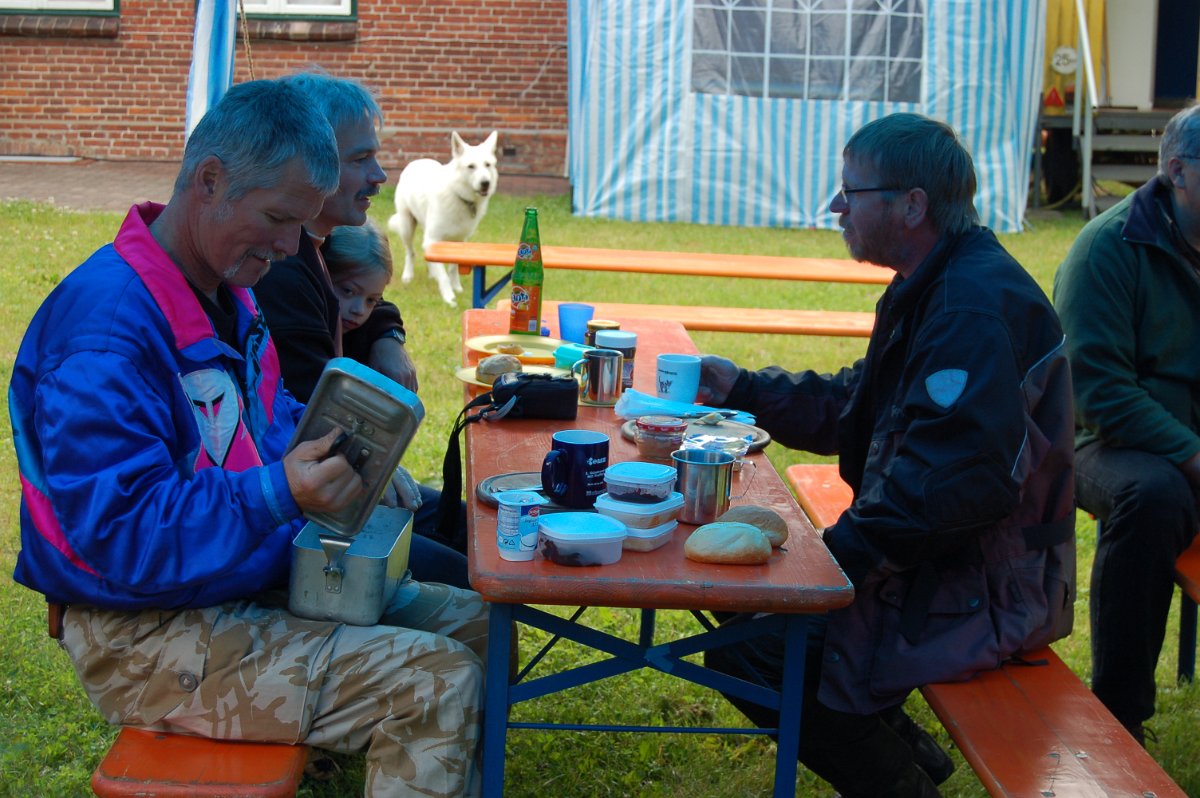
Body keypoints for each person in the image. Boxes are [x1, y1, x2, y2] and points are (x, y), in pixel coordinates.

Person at [9, 80, 487, 798]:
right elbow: (119, 534)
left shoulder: (223, 289)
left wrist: (332, 440)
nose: (292, 245)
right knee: (434, 684)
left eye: (300, 223)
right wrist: (280, 489)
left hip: (239, 584)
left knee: (485, 628)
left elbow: (258, 419)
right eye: (276, 217)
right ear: (209, 182)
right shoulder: (106, 335)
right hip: (141, 635)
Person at [696, 113, 1076, 798]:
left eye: (851, 192)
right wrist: (744, 389)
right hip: (941, 563)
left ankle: (902, 785)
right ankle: (905, 752)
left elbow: (950, 491)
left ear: (912, 205)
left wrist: (830, 567)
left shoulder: (970, 308)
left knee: (752, 649)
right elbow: (860, 406)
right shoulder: (936, 282)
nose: (836, 206)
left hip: (987, 587)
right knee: (744, 607)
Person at [254, 70, 471, 582]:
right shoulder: (282, 271)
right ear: (310, 162)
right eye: (360, 160)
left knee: (473, 529)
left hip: (331, 489)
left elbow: (362, 300)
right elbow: (314, 421)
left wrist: (386, 335)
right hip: (306, 515)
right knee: (469, 571)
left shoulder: (320, 250)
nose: (379, 176)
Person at [1053, 103, 1200, 744]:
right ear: (1178, 172)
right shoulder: (1108, 249)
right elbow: (1101, 394)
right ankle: (1119, 712)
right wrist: (1194, 456)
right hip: (1102, 442)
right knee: (1155, 494)